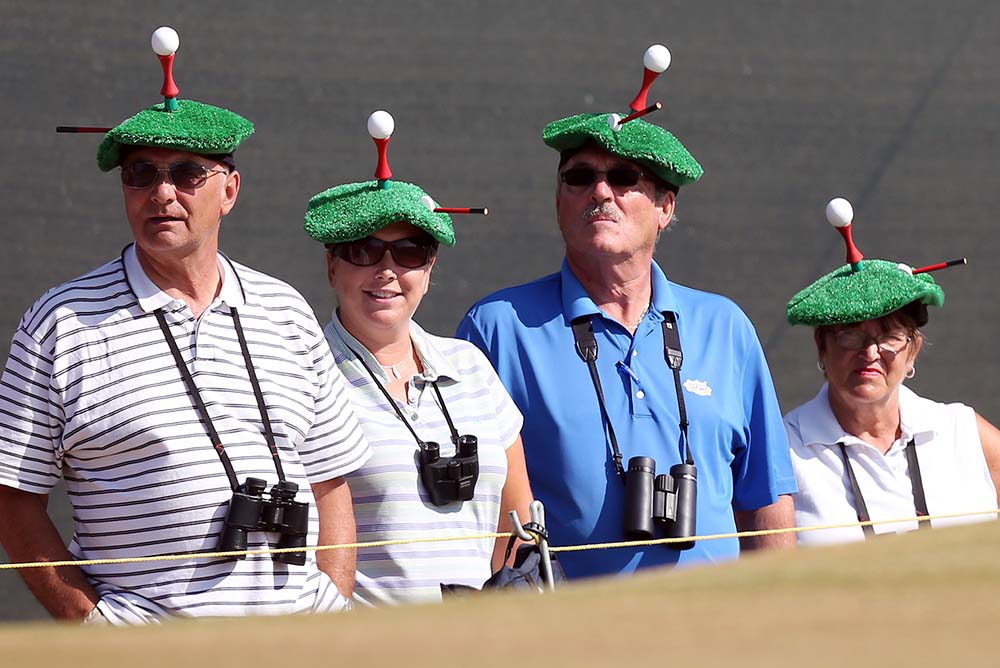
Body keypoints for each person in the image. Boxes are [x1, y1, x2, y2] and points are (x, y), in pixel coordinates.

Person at [0, 28, 371, 624]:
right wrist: (97, 628)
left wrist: (331, 601)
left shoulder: (287, 311)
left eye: (186, 173)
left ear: (230, 190)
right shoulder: (60, 322)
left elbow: (331, 484)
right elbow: (13, 500)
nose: (161, 192)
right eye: (140, 173)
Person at [456, 46, 796, 579]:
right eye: (579, 176)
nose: (600, 191)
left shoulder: (725, 327)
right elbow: (477, 515)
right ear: (558, 199)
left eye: (624, 178)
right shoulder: (497, 327)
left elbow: (766, 505)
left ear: (666, 207)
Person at [303, 111, 534, 605]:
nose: (387, 270)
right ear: (331, 266)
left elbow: (519, 527)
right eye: (364, 251)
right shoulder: (303, 374)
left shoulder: (471, 364)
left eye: (409, 252)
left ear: (430, 267)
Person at [784, 203, 1000, 545]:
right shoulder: (785, 449)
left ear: (913, 350)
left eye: (889, 337)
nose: (870, 352)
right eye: (850, 334)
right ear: (821, 347)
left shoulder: (963, 432)